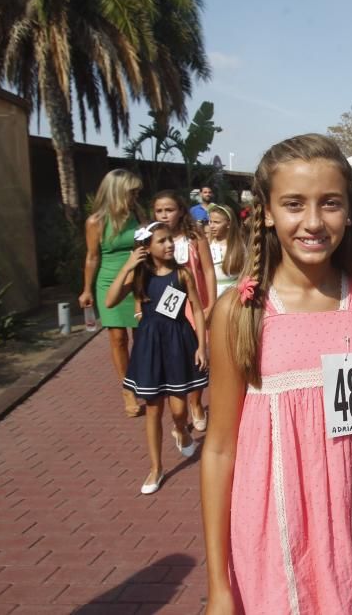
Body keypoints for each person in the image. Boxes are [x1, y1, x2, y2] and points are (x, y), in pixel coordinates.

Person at [201, 133, 352, 615]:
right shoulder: (241, 311)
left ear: (349, 212)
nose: (312, 221)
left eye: (329, 204)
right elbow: (219, 449)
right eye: (293, 204)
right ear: (265, 211)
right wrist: (218, 583)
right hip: (274, 534)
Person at [105, 221, 207, 494]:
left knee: (179, 409)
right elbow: (110, 301)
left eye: (170, 239)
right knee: (153, 407)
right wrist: (127, 266)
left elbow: (196, 308)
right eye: (161, 241)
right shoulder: (140, 276)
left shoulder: (182, 274)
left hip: (178, 342)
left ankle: (181, 429)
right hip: (150, 345)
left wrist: (201, 345)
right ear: (146, 248)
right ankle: (156, 467)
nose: (169, 244)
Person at [78, 169, 145, 417]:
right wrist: (87, 289)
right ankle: (128, 390)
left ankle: (142, 379)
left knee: (141, 337)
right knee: (118, 339)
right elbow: (92, 257)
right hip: (109, 283)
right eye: (131, 192)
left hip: (136, 281)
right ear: (117, 192)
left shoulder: (137, 214)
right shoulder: (95, 222)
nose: (135, 196)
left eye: (137, 192)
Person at [152, 190, 217, 431]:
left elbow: (208, 271)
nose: (164, 215)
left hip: (195, 305)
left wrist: (211, 303)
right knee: (172, 357)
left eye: (169, 210)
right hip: (167, 310)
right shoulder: (153, 240)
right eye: (159, 211)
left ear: (180, 210)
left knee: (199, 355)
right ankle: (178, 415)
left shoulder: (194, 236)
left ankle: (196, 402)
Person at [207, 204, 245, 298]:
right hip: (211, 293)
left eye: (216, 222)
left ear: (228, 224)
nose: (211, 226)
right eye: (210, 221)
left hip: (232, 294)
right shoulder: (207, 245)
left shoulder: (239, 247)